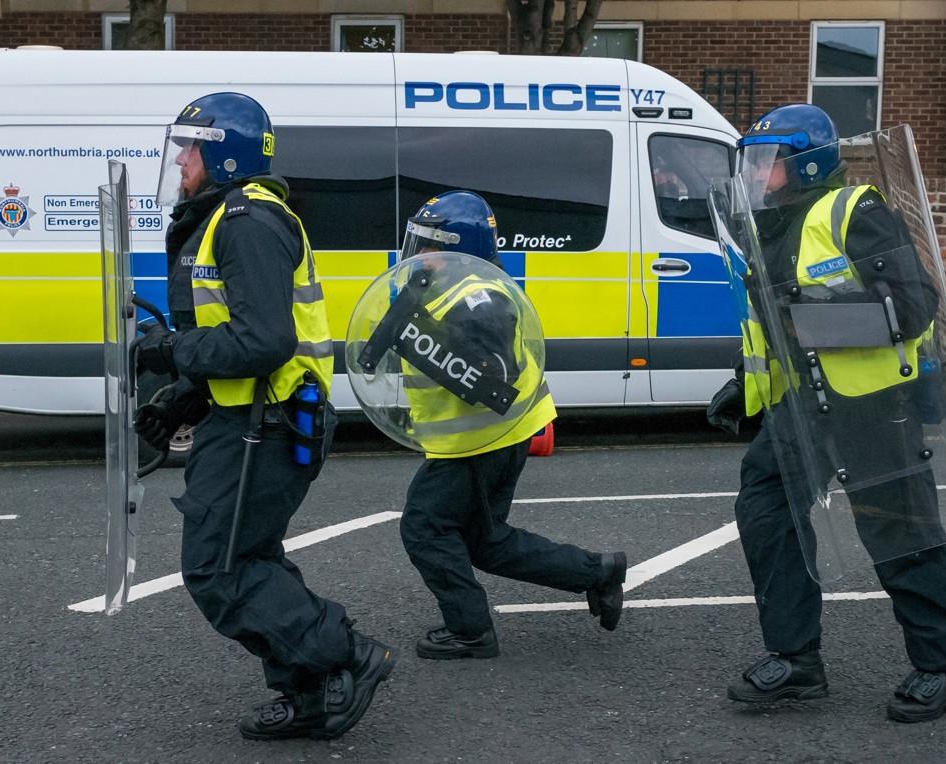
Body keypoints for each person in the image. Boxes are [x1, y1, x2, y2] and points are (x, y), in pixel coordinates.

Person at [131, 91, 395, 741]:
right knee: (249, 558)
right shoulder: (229, 216)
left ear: (226, 157)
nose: (181, 160)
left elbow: (264, 342)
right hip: (252, 415)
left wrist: (167, 349)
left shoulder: (246, 220)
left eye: (191, 148)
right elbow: (241, 341)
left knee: (219, 567)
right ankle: (307, 693)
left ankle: (346, 654)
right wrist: (184, 402)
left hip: (270, 423)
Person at [707, 104, 946, 723]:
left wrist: (813, 311)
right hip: (802, 407)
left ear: (805, 165)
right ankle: (795, 660)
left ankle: (942, 665)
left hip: (872, 405)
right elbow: (771, 328)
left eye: (767, 164)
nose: (755, 176)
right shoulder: (763, 229)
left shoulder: (851, 211)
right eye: (751, 163)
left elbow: (911, 307)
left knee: (898, 527)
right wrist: (740, 383)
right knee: (766, 510)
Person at [393, 191, 628, 660]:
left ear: (461, 250)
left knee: (423, 528)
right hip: (485, 438)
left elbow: (491, 376)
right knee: (483, 538)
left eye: (427, 245)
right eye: (416, 242)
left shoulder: (480, 302)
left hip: (480, 441)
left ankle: (471, 630)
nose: (417, 253)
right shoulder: (441, 288)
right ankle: (596, 572)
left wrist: (430, 350)